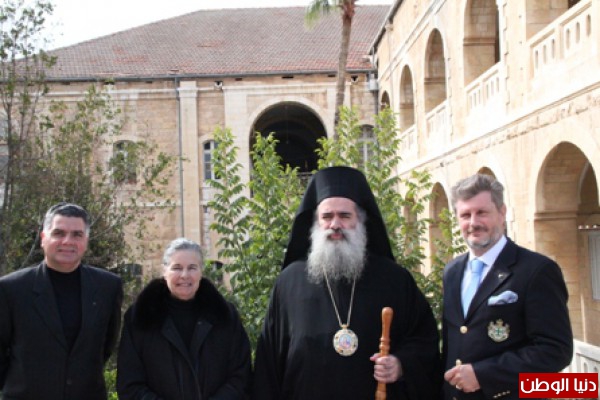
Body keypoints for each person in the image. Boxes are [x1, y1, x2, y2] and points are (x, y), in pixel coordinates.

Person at [252, 166, 441, 400]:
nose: (335, 224)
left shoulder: (394, 279)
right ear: (315, 222)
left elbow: (425, 343)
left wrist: (400, 364)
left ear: (360, 220)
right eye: (327, 217)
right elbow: (268, 367)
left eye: (344, 216)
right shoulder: (289, 283)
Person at [442, 173, 573, 400]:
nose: (473, 223)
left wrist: (483, 375)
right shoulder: (452, 272)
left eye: (482, 212)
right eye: (465, 215)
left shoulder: (536, 270)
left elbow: (555, 350)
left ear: (502, 212)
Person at [0, 202, 123, 400]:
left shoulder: (108, 287)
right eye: (58, 233)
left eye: (77, 235)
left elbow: (106, 345)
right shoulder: (11, 289)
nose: (67, 241)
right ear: (43, 238)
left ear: (86, 241)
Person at [117, 237, 251, 400]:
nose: (184, 275)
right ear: (164, 271)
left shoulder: (225, 316)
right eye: (177, 268)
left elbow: (241, 377)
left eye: (192, 268)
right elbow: (130, 384)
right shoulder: (140, 317)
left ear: (201, 272)